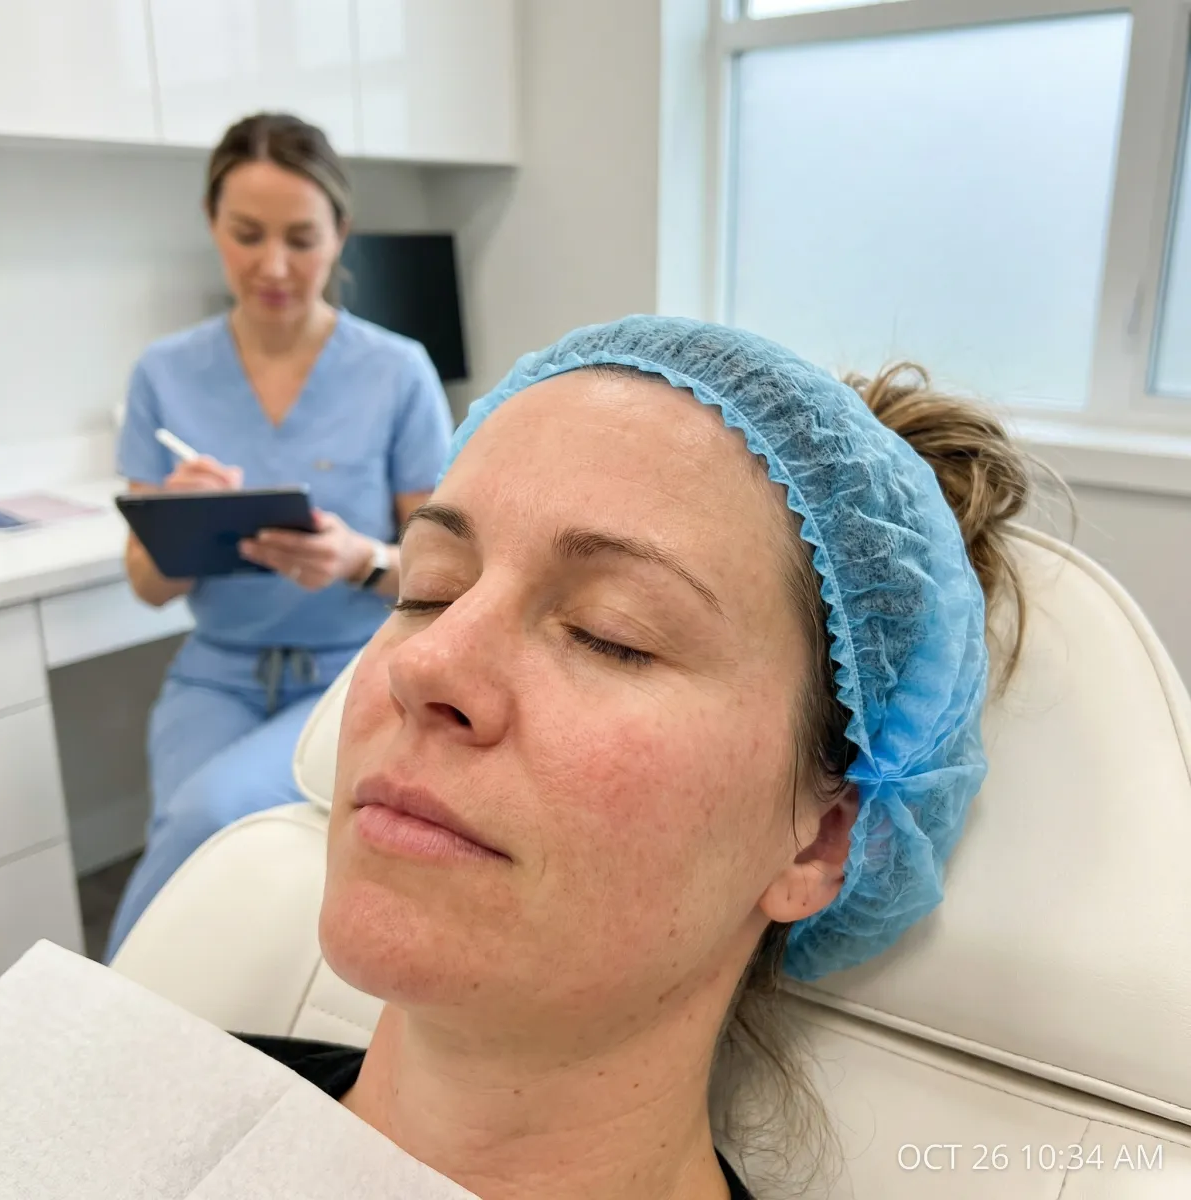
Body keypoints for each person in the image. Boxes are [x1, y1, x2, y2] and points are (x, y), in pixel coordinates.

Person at [235, 316, 1033, 1199]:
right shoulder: (136, 1081)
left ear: (818, 842)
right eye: (429, 591)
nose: (426, 665)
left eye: (611, 635)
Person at [105, 113, 453, 960]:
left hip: (347, 675)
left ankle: (101, 1016)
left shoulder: (398, 371)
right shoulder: (163, 374)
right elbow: (147, 586)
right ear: (211, 224)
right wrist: (177, 521)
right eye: (246, 234)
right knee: (192, 845)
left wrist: (359, 559)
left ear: (341, 234)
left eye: (301, 238)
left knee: (208, 820)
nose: (272, 265)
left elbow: (448, 576)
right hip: (214, 676)